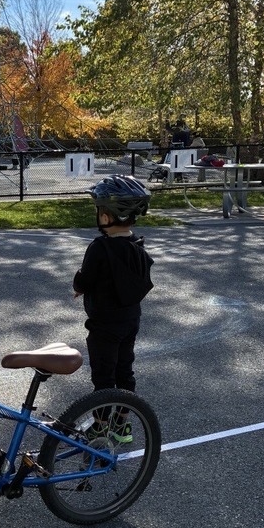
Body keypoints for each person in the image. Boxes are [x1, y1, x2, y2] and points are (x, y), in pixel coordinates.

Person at [72, 175, 154, 442]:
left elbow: (85, 279)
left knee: (104, 376)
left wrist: (79, 286)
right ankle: (122, 424)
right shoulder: (137, 244)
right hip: (130, 319)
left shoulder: (99, 247)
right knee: (125, 370)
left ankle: (100, 425)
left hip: (104, 324)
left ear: (107, 216)